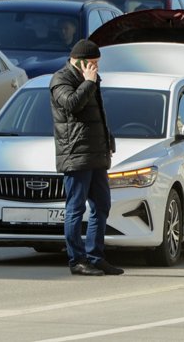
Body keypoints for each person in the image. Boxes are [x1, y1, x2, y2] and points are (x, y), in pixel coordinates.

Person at [49, 39, 123, 276]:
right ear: (79, 61)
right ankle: (77, 260)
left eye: (97, 64)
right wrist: (89, 82)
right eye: (92, 63)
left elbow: (98, 114)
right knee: (76, 208)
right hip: (76, 154)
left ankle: (95, 256)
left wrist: (107, 139)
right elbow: (72, 105)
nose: (95, 68)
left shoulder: (91, 80)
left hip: (96, 153)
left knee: (102, 204)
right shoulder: (61, 79)